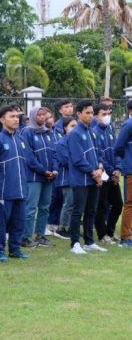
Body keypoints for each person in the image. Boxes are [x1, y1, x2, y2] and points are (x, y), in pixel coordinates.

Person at [0, 105, 30, 262]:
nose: (16, 119)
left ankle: (15, 249)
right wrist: (2, 178)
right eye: (12, 116)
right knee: (0, 222)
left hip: (20, 188)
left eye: (17, 116)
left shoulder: (20, 139)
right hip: (3, 189)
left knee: (19, 221)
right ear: (2, 119)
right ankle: (0, 250)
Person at [67, 100, 106, 255]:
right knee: (78, 211)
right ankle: (75, 243)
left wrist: (100, 169)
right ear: (79, 114)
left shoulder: (92, 132)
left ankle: (89, 241)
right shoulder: (75, 133)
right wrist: (93, 172)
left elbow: (99, 153)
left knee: (91, 210)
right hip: (80, 179)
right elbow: (77, 159)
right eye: (87, 113)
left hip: (94, 178)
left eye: (91, 113)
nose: (90, 116)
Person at [21, 106, 57, 248]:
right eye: (39, 115)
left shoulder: (48, 132)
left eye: (44, 115)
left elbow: (54, 153)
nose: (42, 117)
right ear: (33, 116)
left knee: (45, 207)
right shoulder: (27, 132)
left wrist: (54, 169)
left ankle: (40, 235)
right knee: (30, 208)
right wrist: (43, 171)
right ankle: (25, 237)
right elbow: (29, 157)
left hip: (49, 177)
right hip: (34, 177)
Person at [92, 104, 122, 244]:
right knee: (101, 205)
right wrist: (111, 171)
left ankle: (110, 232)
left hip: (113, 174)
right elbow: (99, 156)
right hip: (103, 175)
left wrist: (117, 169)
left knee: (117, 204)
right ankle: (102, 234)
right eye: (104, 114)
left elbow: (116, 151)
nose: (107, 116)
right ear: (96, 115)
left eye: (108, 113)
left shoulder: (110, 130)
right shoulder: (94, 132)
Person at [54, 117, 77, 239]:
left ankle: (72, 226)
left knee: (75, 203)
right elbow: (64, 161)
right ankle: (62, 227)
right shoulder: (61, 142)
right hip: (66, 178)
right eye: (72, 126)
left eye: (76, 126)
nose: (75, 128)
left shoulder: (76, 141)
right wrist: (78, 163)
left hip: (77, 177)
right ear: (65, 127)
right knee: (68, 203)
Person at [114, 99, 132, 248]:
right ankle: (125, 237)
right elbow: (118, 147)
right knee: (130, 203)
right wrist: (127, 159)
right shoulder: (128, 125)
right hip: (131, 169)